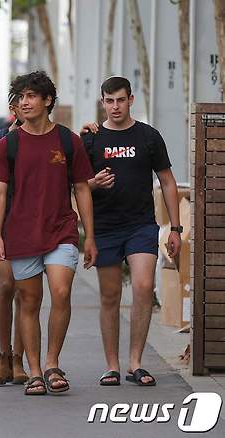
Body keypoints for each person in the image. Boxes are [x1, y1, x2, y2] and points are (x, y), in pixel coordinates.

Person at [0, 71, 98, 396]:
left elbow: (81, 188)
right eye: (20, 97)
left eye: (31, 96)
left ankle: (51, 362)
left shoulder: (68, 140)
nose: (24, 102)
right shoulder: (8, 144)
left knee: (61, 293)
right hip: (21, 235)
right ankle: (34, 370)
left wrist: (88, 235)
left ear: (47, 100)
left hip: (61, 230)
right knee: (29, 301)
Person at [80, 76, 180, 387]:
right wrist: (95, 184)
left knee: (142, 286)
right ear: (102, 103)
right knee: (109, 296)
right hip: (105, 226)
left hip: (140, 225)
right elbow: (77, 186)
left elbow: (167, 181)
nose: (115, 107)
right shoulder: (91, 139)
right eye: (109, 101)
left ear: (131, 100)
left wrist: (175, 228)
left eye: (120, 100)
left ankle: (136, 362)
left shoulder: (148, 136)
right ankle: (112, 365)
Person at [0, 91, 28, 386]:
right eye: (17, 103)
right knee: (7, 285)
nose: (23, 107)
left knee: (26, 291)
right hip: (2, 222)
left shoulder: (48, 136)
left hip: (33, 224)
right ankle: (4, 355)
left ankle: (19, 359)